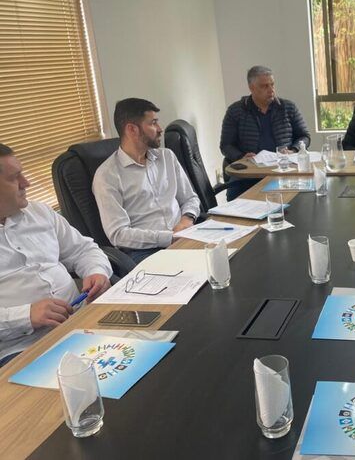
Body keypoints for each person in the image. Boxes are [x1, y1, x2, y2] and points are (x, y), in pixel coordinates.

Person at [0, 143, 111, 367]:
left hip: (85, 319)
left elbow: (83, 249)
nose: (26, 183)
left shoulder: (39, 212)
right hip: (25, 347)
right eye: (14, 178)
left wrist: (96, 271)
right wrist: (26, 315)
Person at [93, 98, 201, 264]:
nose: (160, 129)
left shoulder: (167, 157)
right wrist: (169, 237)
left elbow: (190, 198)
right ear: (132, 129)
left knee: (231, 257)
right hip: (147, 251)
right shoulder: (107, 176)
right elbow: (118, 234)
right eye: (153, 123)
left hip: (186, 234)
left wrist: (186, 221)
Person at [220, 65, 311, 199]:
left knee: (301, 199)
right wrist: (242, 156)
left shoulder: (288, 108)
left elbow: (304, 136)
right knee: (237, 199)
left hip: (283, 170)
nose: (271, 90)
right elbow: (226, 145)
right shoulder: (236, 111)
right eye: (264, 86)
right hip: (249, 174)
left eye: (272, 84)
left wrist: (293, 150)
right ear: (251, 88)